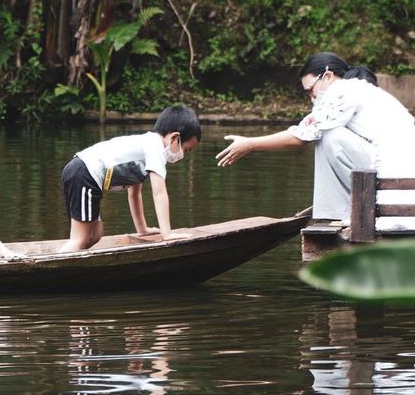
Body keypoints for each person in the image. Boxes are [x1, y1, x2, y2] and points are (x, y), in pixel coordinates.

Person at [216, 52, 415, 223]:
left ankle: (348, 213)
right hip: (399, 177)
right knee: (328, 133)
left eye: (310, 90)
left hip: (398, 180)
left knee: (329, 136)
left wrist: (251, 144)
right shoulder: (360, 90)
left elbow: (302, 135)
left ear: (328, 76)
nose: (312, 99)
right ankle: (347, 211)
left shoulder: (343, 91)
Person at [58, 105, 201, 252]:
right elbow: (159, 193)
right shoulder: (155, 148)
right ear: (174, 138)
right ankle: (58, 268)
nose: (183, 155)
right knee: (80, 238)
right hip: (84, 173)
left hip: (83, 173)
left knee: (95, 235)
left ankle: (71, 262)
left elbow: (134, 194)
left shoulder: (147, 148)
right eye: (186, 149)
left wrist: (143, 229)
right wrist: (167, 234)